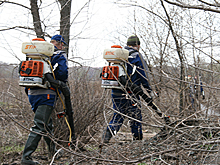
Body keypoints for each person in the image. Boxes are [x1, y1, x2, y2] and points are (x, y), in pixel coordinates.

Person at [21, 35, 68, 165]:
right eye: (61, 44)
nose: (62, 46)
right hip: (46, 94)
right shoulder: (56, 55)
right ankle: (26, 158)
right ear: (58, 44)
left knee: (48, 125)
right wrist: (58, 82)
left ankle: (52, 152)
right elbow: (63, 73)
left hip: (32, 93)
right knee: (39, 125)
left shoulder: (34, 56)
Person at [102, 35, 152, 143]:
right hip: (131, 92)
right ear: (137, 45)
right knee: (135, 117)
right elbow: (143, 75)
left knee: (118, 115)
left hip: (116, 91)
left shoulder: (119, 56)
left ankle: (105, 139)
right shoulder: (136, 56)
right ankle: (137, 142)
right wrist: (149, 90)